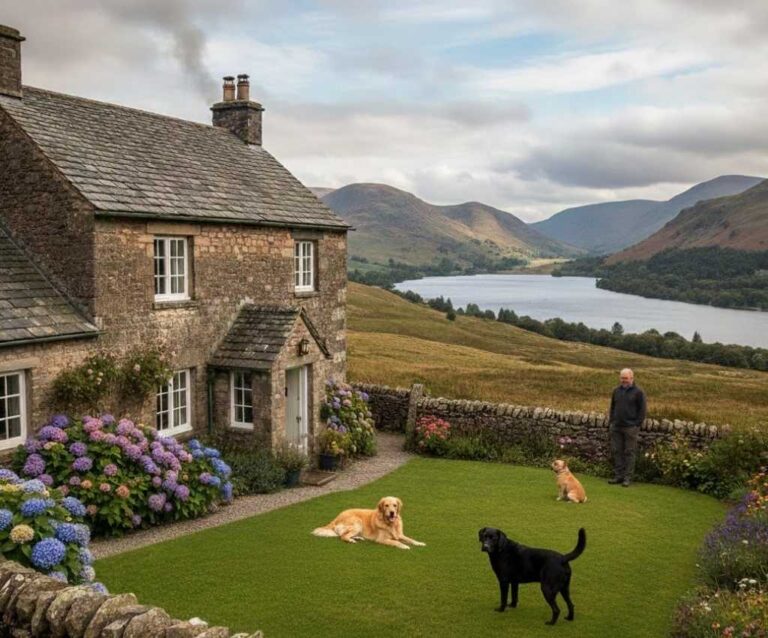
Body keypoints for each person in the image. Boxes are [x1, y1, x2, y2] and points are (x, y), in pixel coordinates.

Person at [608, 368, 646, 487]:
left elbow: (642, 410)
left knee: (629, 452)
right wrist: (612, 421)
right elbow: (612, 407)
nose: (623, 380)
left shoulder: (639, 392)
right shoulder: (616, 391)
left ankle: (627, 478)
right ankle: (618, 476)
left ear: (632, 378)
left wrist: (636, 425)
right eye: (622, 378)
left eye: (626, 378)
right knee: (616, 451)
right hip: (617, 426)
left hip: (630, 428)